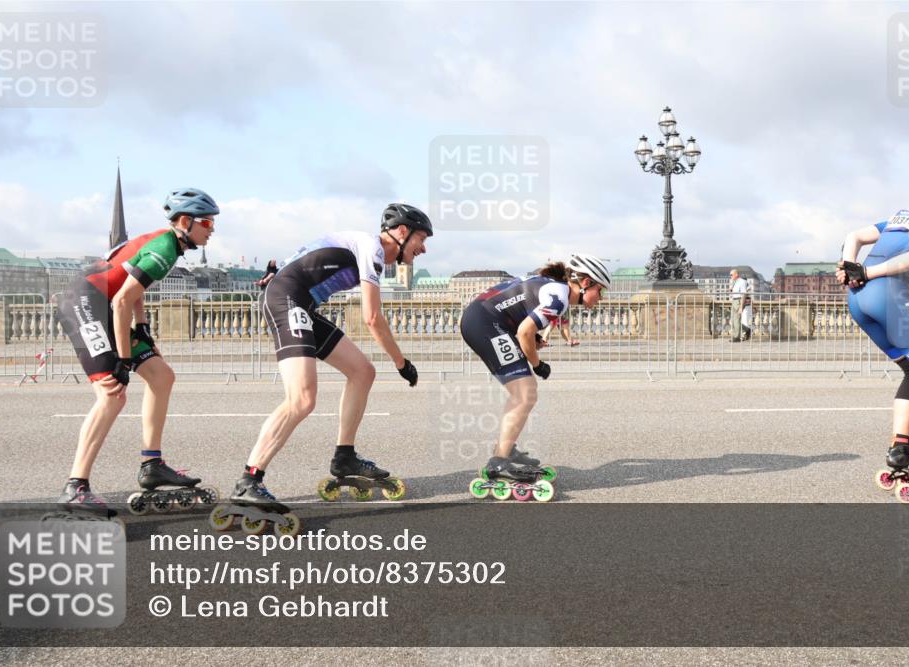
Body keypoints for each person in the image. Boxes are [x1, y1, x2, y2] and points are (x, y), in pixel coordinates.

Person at [232, 203, 432, 505]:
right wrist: (402, 363)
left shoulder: (365, 247)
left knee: (363, 372)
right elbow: (372, 317)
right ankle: (249, 480)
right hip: (288, 300)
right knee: (301, 399)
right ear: (402, 232)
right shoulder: (372, 248)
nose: (424, 249)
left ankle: (345, 457)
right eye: (422, 239)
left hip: (300, 302)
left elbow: (308, 255)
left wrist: (279, 270)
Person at [56, 188, 219, 513]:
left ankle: (151, 465)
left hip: (103, 301)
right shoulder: (165, 248)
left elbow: (133, 287)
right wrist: (124, 359)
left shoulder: (164, 241)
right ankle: (76, 486)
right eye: (206, 222)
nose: (211, 229)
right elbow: (120, 301)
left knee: (162, 377)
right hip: (85, 301)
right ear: (185, 221)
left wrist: (142, 327)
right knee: (112, 393)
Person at [838, 166, 909, 503]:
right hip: (887, 293)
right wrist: (870, 271)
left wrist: (850, 268)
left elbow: (854, 236)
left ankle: (899, 451)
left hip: (858, 299)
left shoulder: (905, 213)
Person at [461, 253, 610, 489]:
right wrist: (538, 364)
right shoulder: (559, 298)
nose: (601, 298)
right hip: (485, 322)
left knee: (524, 392)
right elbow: (524, 333)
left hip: (485, 318)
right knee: (525, 392)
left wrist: (534, 339)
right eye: (600, 290)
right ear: (585, 283)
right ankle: (498, 462)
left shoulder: (556, 289)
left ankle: (505, 449)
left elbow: (520, 318)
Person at [729, 269, 749, 342]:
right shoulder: (735, 282)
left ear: (736, 274)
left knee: (737, 320)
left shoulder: (742, 282)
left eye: (731, 275)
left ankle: (736, 337)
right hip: (734, 301)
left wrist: (741, 307)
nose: (730, 276)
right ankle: (746, 329)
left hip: (738, 301)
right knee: (733, 320)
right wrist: (732, 290)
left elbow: (744, 294)